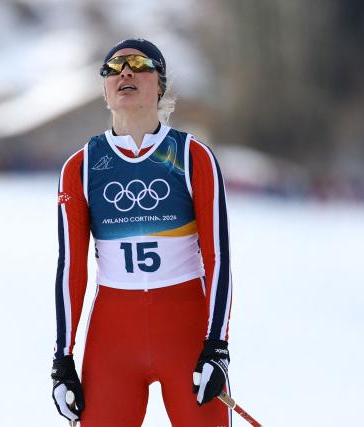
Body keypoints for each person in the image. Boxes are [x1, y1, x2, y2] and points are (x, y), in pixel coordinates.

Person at [50, 38, 233, 426]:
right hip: (113, 338)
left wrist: (217, 347)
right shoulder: (80, 168)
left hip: (184, 331)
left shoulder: (191, 156)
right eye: (113, 68)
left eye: (138, 63)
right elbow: (71, 270)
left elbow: (219, 258)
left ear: (160, 85)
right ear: (104, 89)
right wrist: (62, 359)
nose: (125, 72)